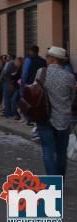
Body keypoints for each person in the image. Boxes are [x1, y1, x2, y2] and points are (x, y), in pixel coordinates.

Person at [35, 46, 76, 176]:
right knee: (61, 152)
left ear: (53, 60)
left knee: (47, 151)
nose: (46, 59)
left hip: (44, 116)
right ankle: (60, 179)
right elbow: (71, 97)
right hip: (63, 119)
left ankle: (53, 184)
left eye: (47, 57)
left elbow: (35, 91)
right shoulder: (70, 77)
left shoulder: (41, 72)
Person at [0, 54, 17, 118]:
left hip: (7, 82)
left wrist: (1, 77)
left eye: (7, 57)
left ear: (9, 57)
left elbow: (5, 72)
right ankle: (10, 112)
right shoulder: (14, 64)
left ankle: (8, 113)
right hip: (12, 82)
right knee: (10, 98)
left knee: (6, 98)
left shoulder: (9, 63)